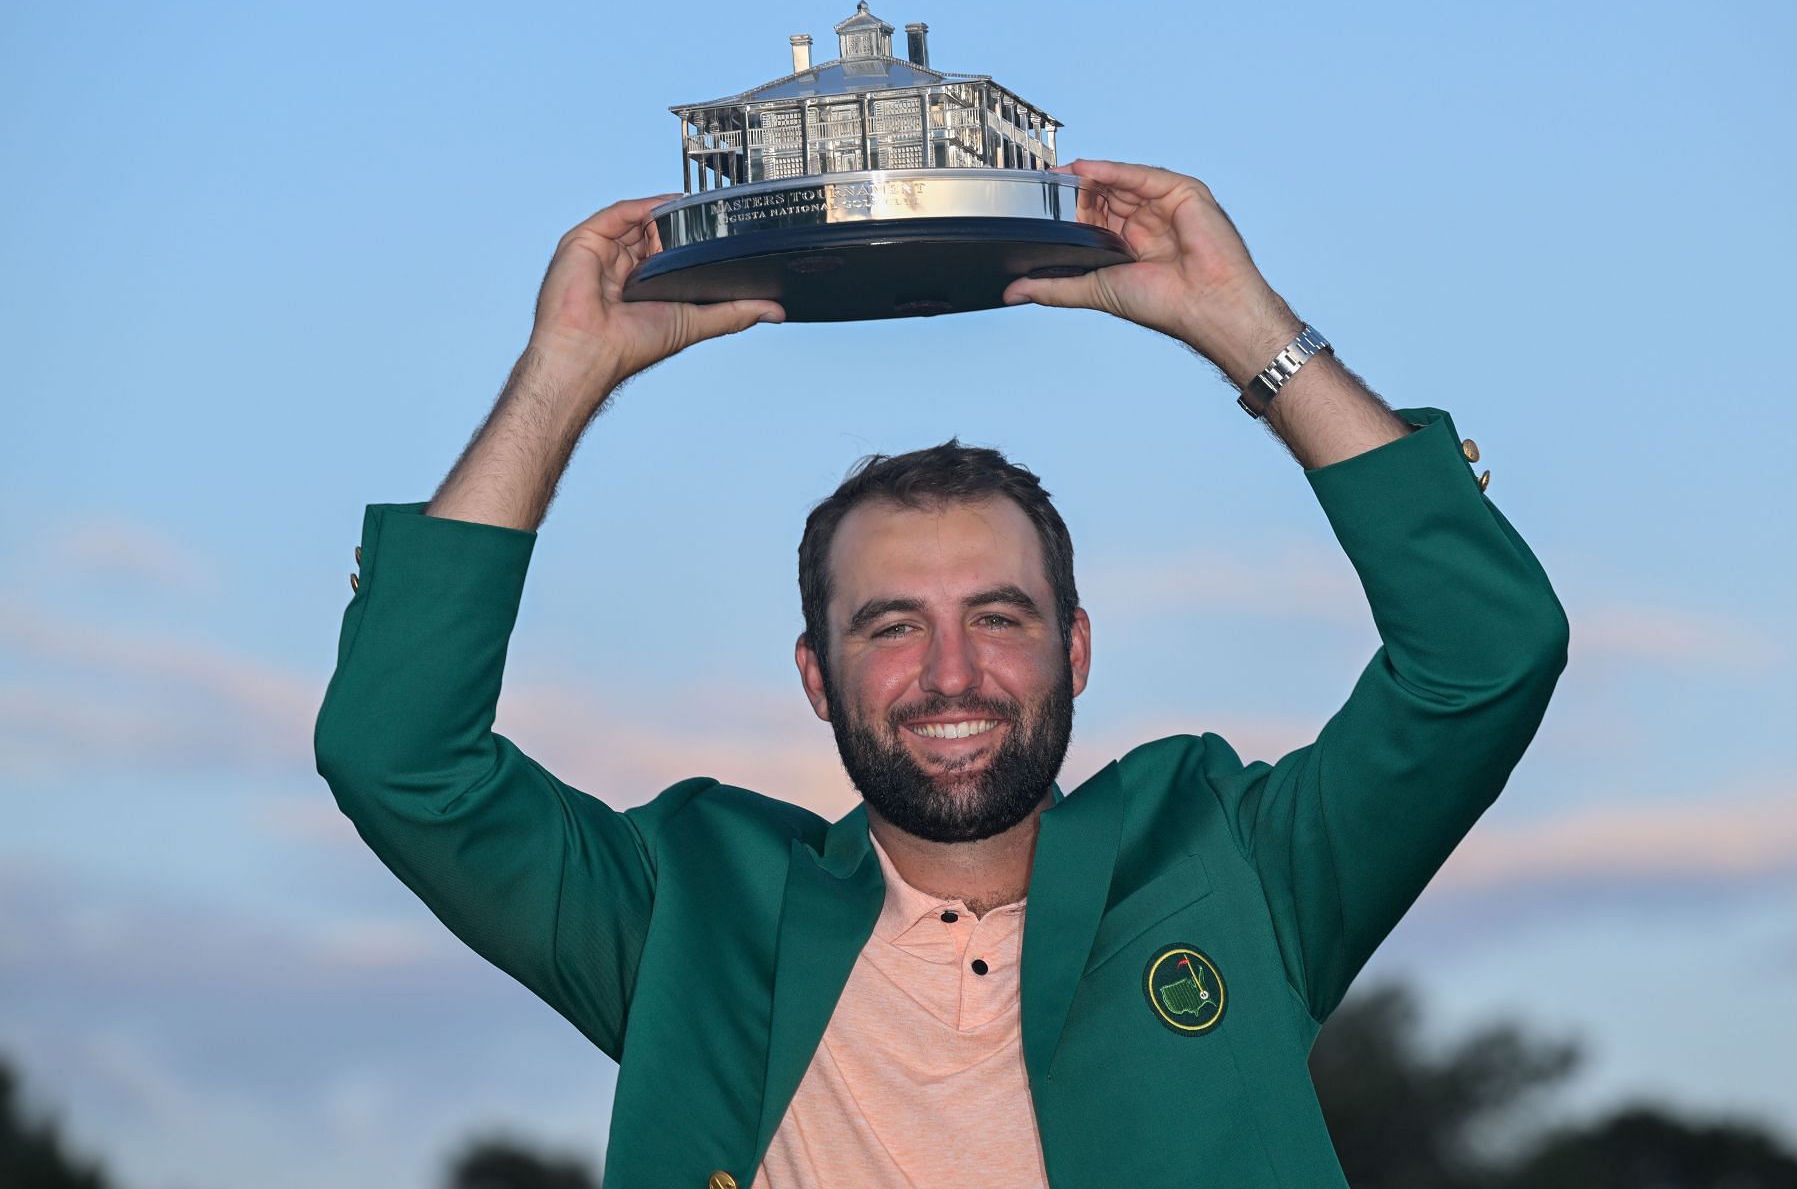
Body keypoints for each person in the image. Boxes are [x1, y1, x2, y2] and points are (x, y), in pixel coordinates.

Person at [314, 159, 1569, 1189]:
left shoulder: (1232, 865)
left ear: (1076, 647)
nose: (951, 673)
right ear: (818, 674)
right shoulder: (685, 913)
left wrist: (1247, 330)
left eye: (1001, 616)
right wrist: (564, 375)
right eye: (892, 625)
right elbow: (399, 755)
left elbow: (1484, 652)